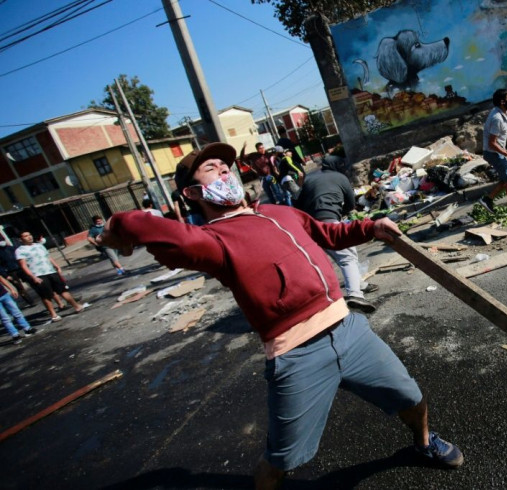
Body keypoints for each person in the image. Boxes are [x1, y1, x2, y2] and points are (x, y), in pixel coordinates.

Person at [97, 143, 464, 489]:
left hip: (350, 329)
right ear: (192, 193)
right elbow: (141, 225)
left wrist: (371, 227)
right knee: (281, 460)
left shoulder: (279, 212)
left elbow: (327, 233)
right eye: (212, 169)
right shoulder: (210, 241)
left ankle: (423, 441)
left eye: (227, 166)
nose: (225, 172)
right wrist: (115, 234)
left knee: (412, 397)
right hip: (296, 355)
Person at [296, 153, 379, 313]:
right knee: (347, 257)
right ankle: (356, 295)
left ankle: (360, 285)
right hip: (328, 221)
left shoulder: (310, 179)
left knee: (342, 255)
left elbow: (298, 204)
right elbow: (350, 204)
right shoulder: (341, 178)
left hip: (307, 226)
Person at [15, 231, 85, 322]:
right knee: (46, 296)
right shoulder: (20, 250)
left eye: (30, 235)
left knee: (63, 290)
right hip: (38, 275)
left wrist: (56, 265)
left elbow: (48, 256)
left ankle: (76, 306)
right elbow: (23, 265)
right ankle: (54, 315)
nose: (29, 237)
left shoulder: (39, 245)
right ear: (20, 239)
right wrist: (33, 277)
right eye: (26, 236)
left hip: (51, 271)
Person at [0, 275, 36, 344]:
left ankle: (27, 328)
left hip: (4, 294)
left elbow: (1, 279)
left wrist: (11, 289)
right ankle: (15, 335)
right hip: (4, 295)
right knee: (5, 318)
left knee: (16, 312)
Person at [0, 239, 35, 307]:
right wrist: (5, 275)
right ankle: (30, 301)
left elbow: (21, 257)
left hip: (20, 268)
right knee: (19, 287)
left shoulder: (12, 248)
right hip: (10, 272)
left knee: (32, 281)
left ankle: (42, 294)